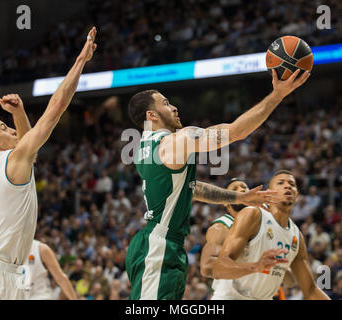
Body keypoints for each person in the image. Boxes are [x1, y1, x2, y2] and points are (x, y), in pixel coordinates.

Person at [126, 68, 310, 300]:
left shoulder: (144, 148)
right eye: (166, 103)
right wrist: (277, 96)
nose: (174, 107)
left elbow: (191, 189)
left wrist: (238, 198)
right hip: (159, 245)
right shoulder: (176, 140)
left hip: (157, 243)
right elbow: (235, 132)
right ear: (152, 115)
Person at [0, 27, 98, 300]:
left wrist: (19, 113)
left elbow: (28, 151)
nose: (12, 130)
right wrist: (80, 62)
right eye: (4, 127)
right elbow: (57, 107)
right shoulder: (11, 161)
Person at [212, 170, 330, 300]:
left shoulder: (296, 236)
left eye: (292, 184)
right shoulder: (252, 215)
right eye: (280, 183)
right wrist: (255, 266)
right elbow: (219, 268)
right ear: (269, 193)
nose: (287, 186)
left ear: (297, 196)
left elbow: (310, 290)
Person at [199, 179, 295, 300]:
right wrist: (254, 265)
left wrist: (278, 265)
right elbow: (207, 267)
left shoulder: (268, 226)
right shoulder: (221, 227)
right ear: (225, 201)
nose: (241, 190)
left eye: (244, 187)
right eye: (235, 189)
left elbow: (291, 281)